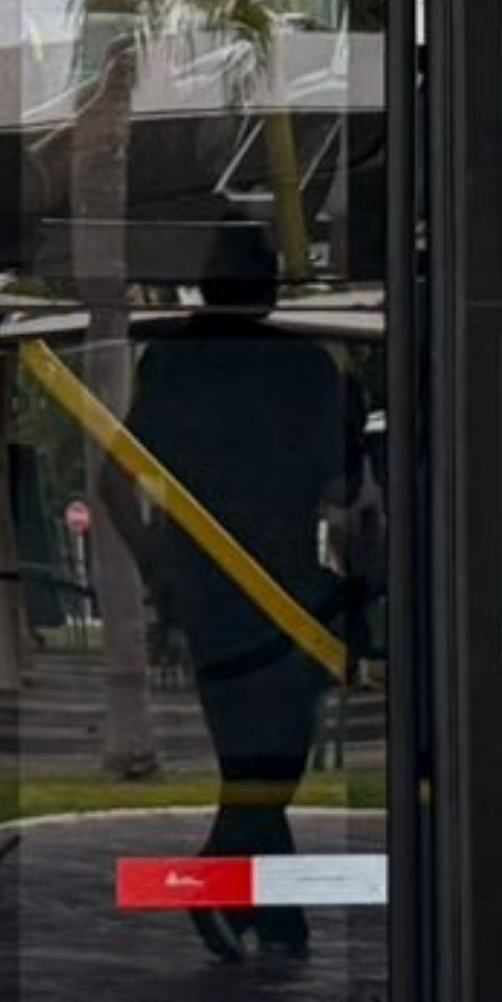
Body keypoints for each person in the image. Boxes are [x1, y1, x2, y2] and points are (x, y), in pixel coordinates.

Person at [105, 228, 363, 960]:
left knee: (253, 763)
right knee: (265, 766)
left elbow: (115, 477)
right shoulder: (308, 367)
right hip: (284, 593)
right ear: (272, 288)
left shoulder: (174, 364)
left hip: (208, 592)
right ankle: (221, 890)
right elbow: (344, 489)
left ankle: (275, 914)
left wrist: (157, 563)